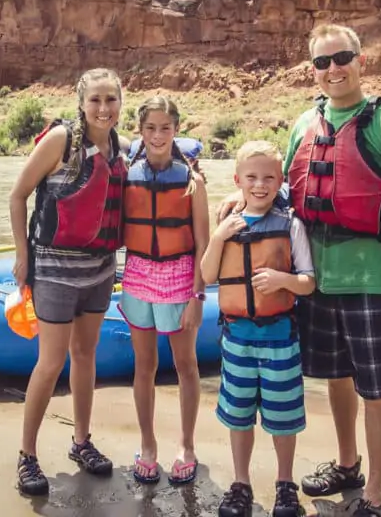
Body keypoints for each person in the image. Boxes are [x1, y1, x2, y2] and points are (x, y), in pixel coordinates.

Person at [215, 23, 381, 517]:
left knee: (377, 387)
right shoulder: (303, 125)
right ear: (312, 70)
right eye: (321, 62)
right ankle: (347, 463)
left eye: (341, 58)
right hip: (318, 279)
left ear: (360, 59)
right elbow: (281, 188)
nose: (333, 69)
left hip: (372, 277)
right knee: (336, 377)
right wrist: (240, 197)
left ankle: (374, 492)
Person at [8, 67, 132, 496]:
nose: (103, 108)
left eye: (110, 100)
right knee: (51, 361)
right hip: (55, 271)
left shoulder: (121, 147)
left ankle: (81, 442)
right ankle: (27, 455)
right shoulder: (60, 141)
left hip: (99, 270)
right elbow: (17, 194)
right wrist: (23, 256)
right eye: (95, 100)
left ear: (120, 103)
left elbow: (162, 161)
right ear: (81, 103)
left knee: (85, 355)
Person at [202, 140, 316, 517]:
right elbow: (207, 274)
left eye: (269, 177)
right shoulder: (227, 224)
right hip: (237, 339)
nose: (260, 185)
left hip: (280, 339)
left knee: (282, 419)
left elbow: (308, 282)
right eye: (251, 177)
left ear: (280, 180)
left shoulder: (291, 225)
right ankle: (241, 484)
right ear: (238, 180)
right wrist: (218, 236)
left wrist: (283, 279)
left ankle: (285, 484)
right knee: (238, 416)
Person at [118, 96, 209, 486]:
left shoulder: (193, 182)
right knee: (145, 366)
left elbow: (203, 243)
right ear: (141, 131)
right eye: (150, 128)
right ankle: (148, 445)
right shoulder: (126, 176)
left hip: (178, 276)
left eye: (165, 128)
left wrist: (197, 296)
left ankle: (186, 446)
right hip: (138, 274)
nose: (158, 136)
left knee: (186, 366)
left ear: (176, 130)